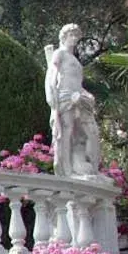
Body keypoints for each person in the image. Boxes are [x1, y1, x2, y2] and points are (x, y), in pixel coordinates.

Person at [44, 23, 102, 177]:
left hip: (79, 98)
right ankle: (67, 170)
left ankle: (80, 164)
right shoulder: (59, 54)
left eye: (76, 36)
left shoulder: (76, 61)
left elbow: (77, 83)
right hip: (64, 97)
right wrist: (52, 97)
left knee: (83, 133)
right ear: (63, 37)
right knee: (66, 132)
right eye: (71, 35)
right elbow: (52, 75)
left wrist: (86, 94)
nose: (75, 38)